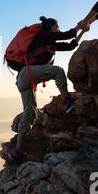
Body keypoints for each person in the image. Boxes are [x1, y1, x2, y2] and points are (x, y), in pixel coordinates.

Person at [6, 16, 83, 166]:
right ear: (51, 27)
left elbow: (70, 45)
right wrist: (79, 26)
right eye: (57, 27)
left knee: (30, 114)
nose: (58, 30)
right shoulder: (45, 34)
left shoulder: (49, 43)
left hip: (24, 79)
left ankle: (17, 153)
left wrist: (82, 32)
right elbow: (68, 34)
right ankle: (68, 102)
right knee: (58, 71)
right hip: (29, 73)